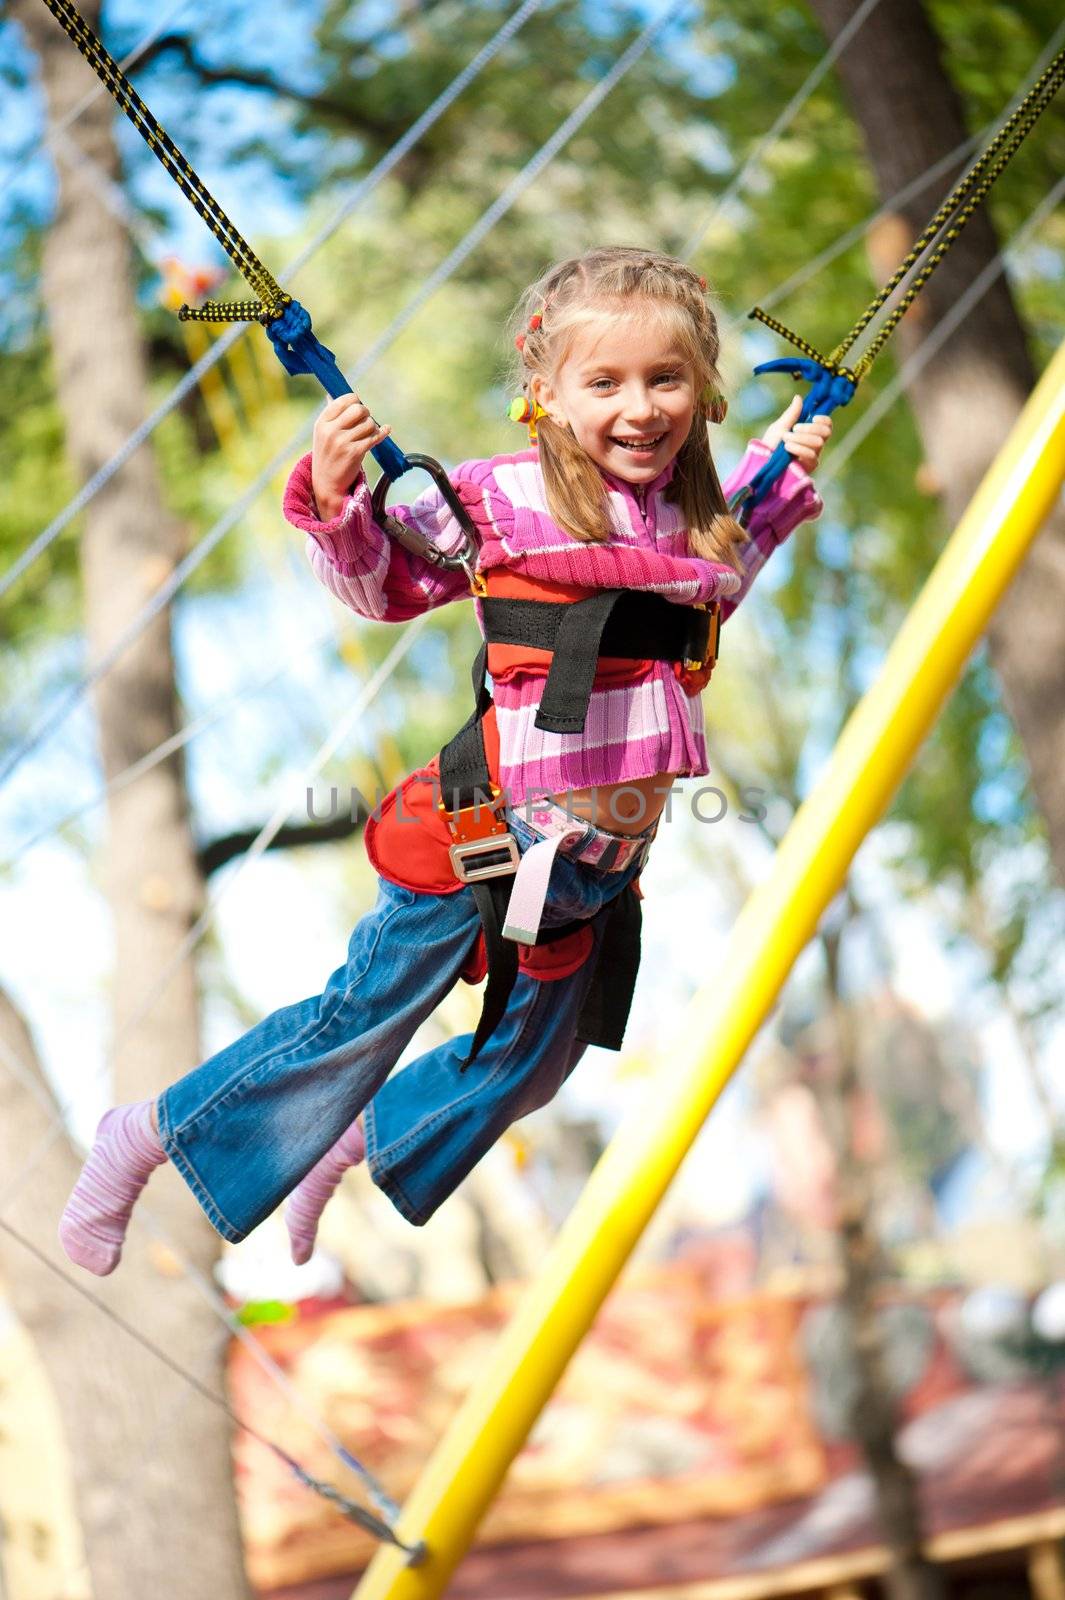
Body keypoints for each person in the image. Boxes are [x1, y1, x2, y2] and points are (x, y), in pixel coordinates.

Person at [59, 247, 831, 1276]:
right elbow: (387, 589)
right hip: (488, 824)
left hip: (596, 865)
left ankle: (355, 1137)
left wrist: (772, 481)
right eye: (604, 382)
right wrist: (340, 500)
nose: (640, 408)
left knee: (534, 1060)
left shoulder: (691, 527)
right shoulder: (499, 498)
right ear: (543, 394)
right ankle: (146, 1133)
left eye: (666, 379)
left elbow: (714, 587)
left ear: (705, 389)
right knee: (365, 1013)